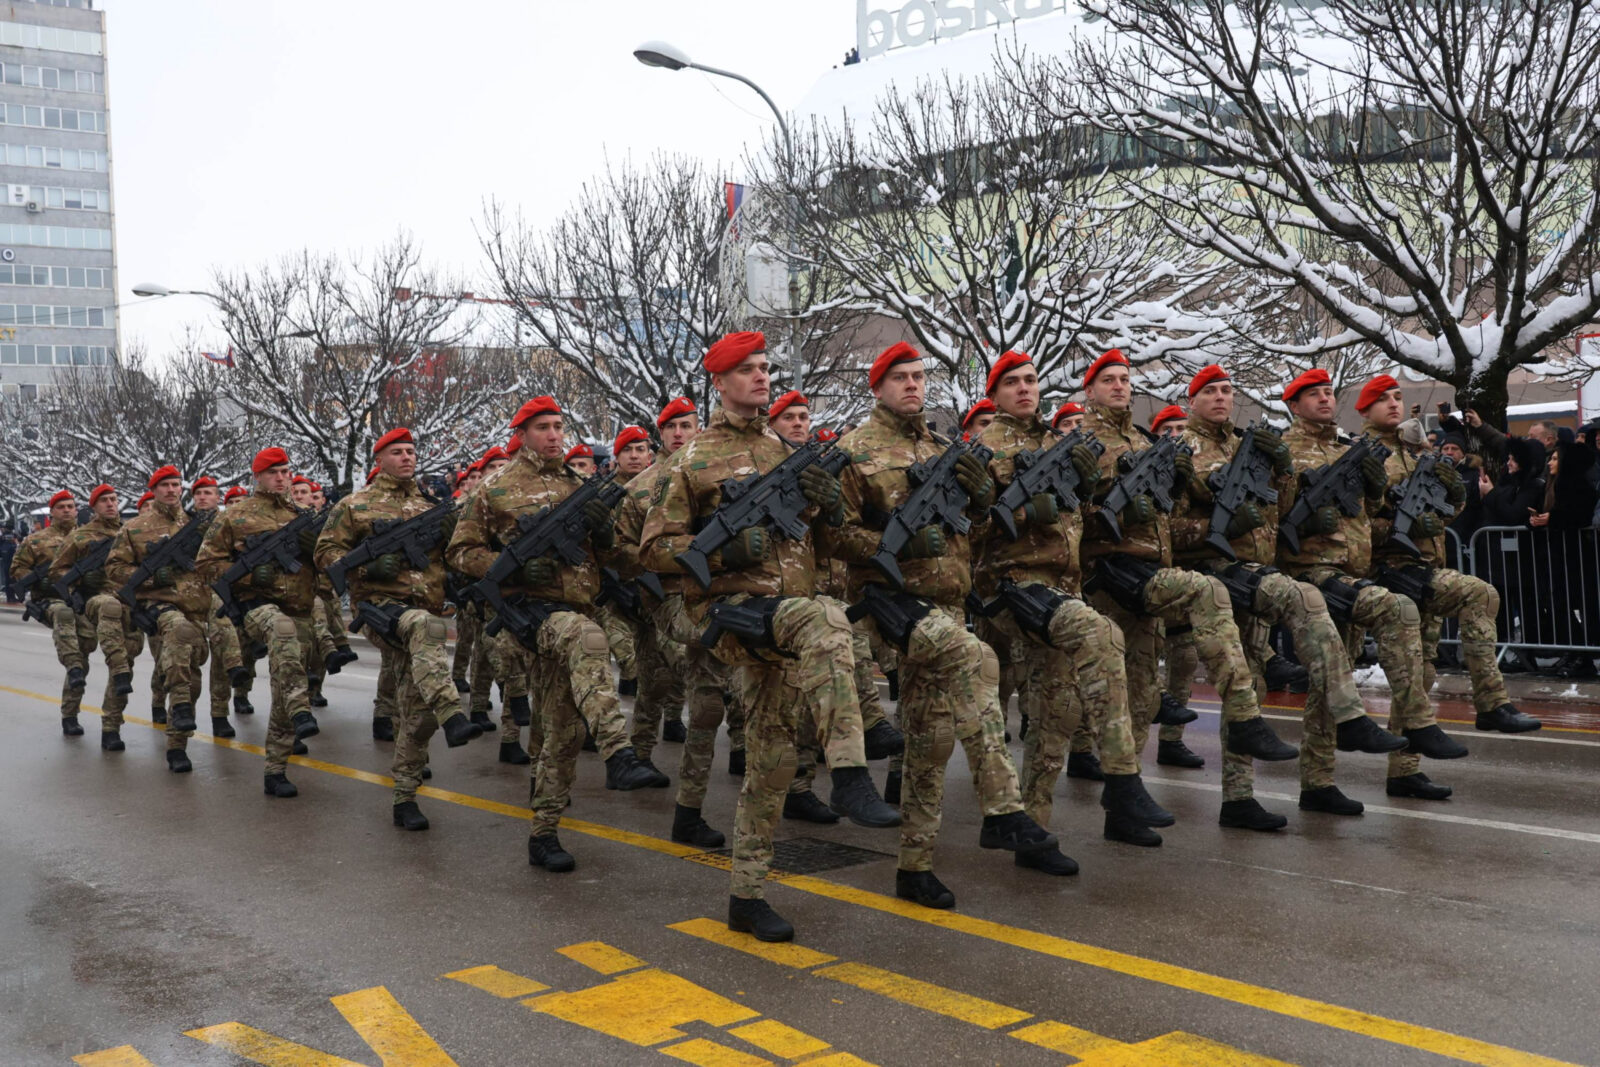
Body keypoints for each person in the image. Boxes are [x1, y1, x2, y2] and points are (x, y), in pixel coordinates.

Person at [641, 332, 899, 942]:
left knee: (772, 758)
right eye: (748, 370)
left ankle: (745, 896)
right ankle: (851, 774)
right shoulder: (689, 461)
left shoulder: (787, 453)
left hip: (788, 614)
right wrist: (723, 549)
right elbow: (654, 550)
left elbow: (822, 544)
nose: (762, 378)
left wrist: (830, 508)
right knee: (829, 622)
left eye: (765, 368)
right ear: (720, 383)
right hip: (736, 613)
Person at [831, 342, 1057, 906]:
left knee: (928, 743)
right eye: (900, 377)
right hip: (893, 606)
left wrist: (981, 506)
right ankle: (1003, 809)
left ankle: (914, 868)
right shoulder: (853, 452)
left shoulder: (943, 448)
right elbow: (831, 537)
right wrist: (893, 541)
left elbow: (971, 535)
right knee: (978, 662)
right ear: (877, 386)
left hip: (950, 603)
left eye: (919, 376)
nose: (913, 385)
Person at [1169, 366, 1408, 828]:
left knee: (1252, 689)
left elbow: (1277, 515)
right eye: (1210, 392)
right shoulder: (1182, 450)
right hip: (1217, 576)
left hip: (1259, 573)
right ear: (1191, 398)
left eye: (1227, 390)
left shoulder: (1246, 445)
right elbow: (1168, 530)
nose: (1221, 398)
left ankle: (1250, 798)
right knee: (1244, 689)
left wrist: (1280, 473)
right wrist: (1212, 529)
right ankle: (1239, 792)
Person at [1076, 349, 1300, 828]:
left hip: (1154, 576)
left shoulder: (1143, 439)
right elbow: (1066, 522)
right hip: (1109, 582)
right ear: (1088, 389)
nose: (1120, 387)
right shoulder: (1080, 443)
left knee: (1141, 696)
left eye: (1125, 379)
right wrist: (1112, 517)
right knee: (1109, 698)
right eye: (1109, 380)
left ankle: (1131, 806)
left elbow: (1167, 517)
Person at [449, 400, 660, 864]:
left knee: (559, 729)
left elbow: (610, 559)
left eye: (558, 426)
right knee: (588, 640)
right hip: (533, 617)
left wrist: (606, 537)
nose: (553, 435)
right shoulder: (495, 490)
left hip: (579, 610)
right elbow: (461, 553)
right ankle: (618, 752)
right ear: (521, 433)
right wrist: (514, 566)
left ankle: (543, 834)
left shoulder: (578, 487)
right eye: (542, 427)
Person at [1278, 369, 1469, 814]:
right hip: (1316, 576)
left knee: (1412, 673)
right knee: (1330, 686)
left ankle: (1403, 768)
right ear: (1293, 404)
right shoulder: (1286, 451)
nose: (1325, 399)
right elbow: (1275, 515)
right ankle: (1317, 781)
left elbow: (1368, 513)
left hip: (1357, 571)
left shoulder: (1350, 449)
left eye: (1329, 392)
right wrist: (1306, 522)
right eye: (1314, 394)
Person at [319, 429, 489, 828]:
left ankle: (404, 797)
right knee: (424, 629)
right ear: (379, 459)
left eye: (411, 451)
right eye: (397, 452)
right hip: (382, 611)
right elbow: (326, 553)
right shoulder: (354, 506)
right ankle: (454, 714)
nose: (407, 458)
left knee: (416, 705)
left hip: (425, 612)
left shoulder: (430, 505)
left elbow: (456, 553)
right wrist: (367, 566)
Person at [617, 397, 745, 850]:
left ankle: (688, 812)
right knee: (661, 685)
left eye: (686, 424)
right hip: (671, 602)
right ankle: (639, 755)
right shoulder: (640, 490)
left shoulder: (716, 473)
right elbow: (624, 552)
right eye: (670, 426)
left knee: (708, 708)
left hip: (717, 597)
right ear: (660, 433)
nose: (678, 433)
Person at [197, 448, 323, 794]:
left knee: (287, 672)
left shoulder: (302, 514)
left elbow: (325, 560)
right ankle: (301, 709)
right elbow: (206, 565)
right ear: (258, 477)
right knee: (282, 636)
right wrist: (251, 575)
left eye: (285, 471)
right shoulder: (235, 516)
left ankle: (275, 770)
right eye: (273, 472)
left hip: (300, 609)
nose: (281, 478)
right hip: (257, 606)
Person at [106, 466, 213, 774]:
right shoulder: (135, 528)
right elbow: (114, 569)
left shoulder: (196, 525)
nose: (171, 490)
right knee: (178, 638)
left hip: (197, 608)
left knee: (191, 678)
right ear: (154, 489)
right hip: (161, 607)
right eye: (165, 484)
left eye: (176, 484)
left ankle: (179, 729)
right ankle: (177, 740)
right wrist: (151, 579)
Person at [47, 484, 139, 747]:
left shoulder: (130, 531)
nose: (110, 504)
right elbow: (57, 572)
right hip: (92, 606)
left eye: (114, 499)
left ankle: (111, 728)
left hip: (127, 604)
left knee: (125, 667)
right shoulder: (80, 537)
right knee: (82, 662)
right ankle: (69, 713)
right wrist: (82, 580)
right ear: (94, 506)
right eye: (104, 500)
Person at [10, 490, 98, 731]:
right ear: (52, 512)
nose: (68, 510)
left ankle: (71, 705)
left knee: (85, 650)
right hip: (50, 601)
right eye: (62, 507)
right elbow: (17, 569)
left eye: (71, 506)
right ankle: (70, 709)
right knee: (66, 622)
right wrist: (39, 582)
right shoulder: (35, 541)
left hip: (78, 598)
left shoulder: (87, 538)